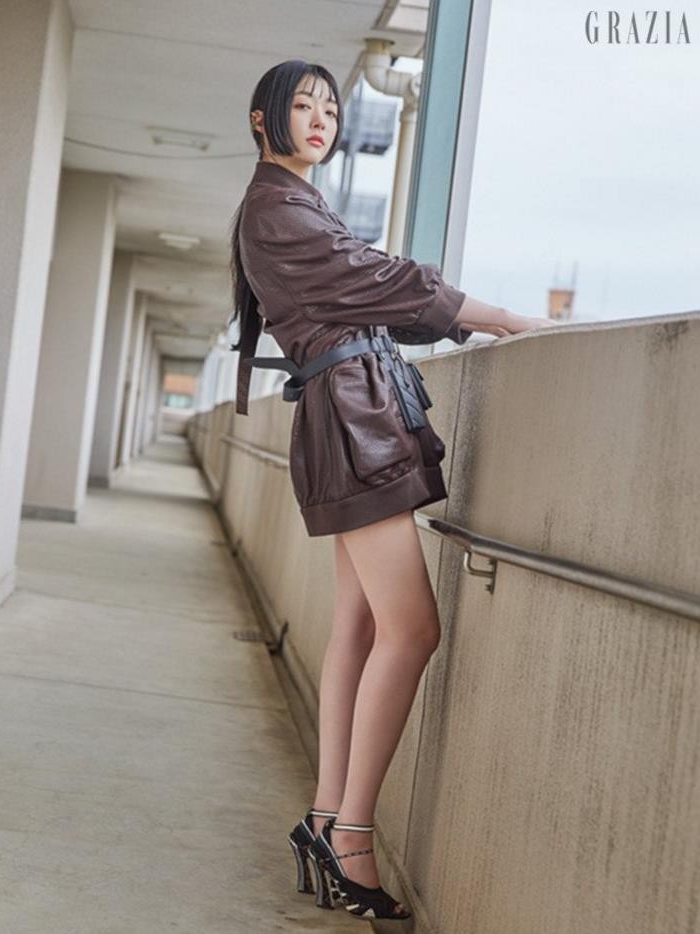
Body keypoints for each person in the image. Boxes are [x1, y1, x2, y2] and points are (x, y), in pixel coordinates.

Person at [227, 59, 554, 921]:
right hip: (353, 425)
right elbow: (381, 282)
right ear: (262, 120)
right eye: (303, 105)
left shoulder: (291, 206)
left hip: (352, 417)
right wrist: (503, 317)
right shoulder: (277, 208)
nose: (321, 119)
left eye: (331, 109)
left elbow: (373, 296)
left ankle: (328, 817)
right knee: (412, 630)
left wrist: (456, 317)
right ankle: (352, 835)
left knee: (363, 627)